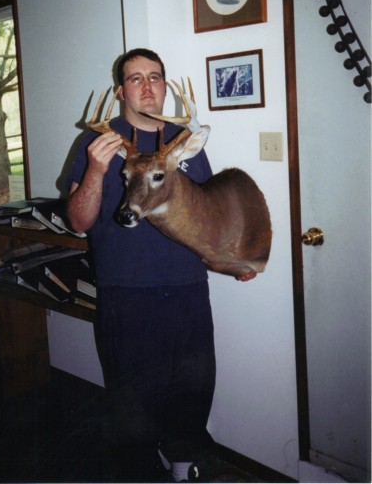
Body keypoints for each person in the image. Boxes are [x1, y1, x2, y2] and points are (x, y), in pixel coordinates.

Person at [66, 48, 255, 482]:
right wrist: (96, 169)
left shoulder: (184, 141)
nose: (147, 86)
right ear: (120, 91)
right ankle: (139, 472)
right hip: (127, 290)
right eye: (135, 78)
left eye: (155, 77)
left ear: (165, 86)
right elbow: (79, 222)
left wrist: (232, 259)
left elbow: (209, 212)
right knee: (132, 398)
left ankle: (183, 464)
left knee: (193, 384)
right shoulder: (99, 143)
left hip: (187, 284)